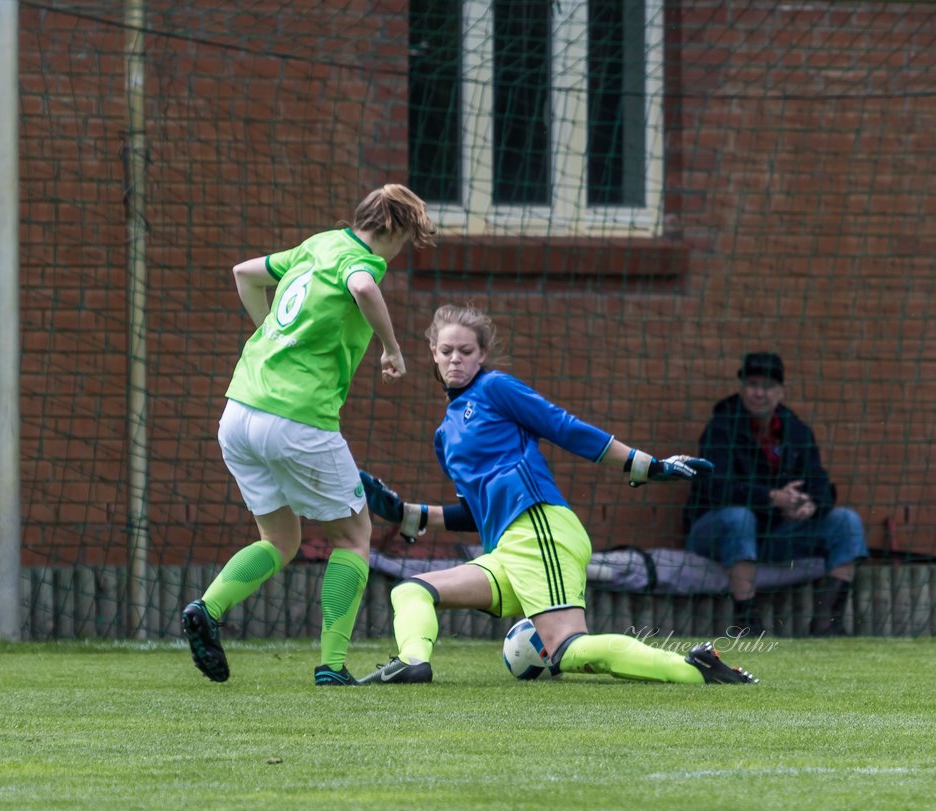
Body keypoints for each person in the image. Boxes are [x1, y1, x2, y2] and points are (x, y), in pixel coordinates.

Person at [357, 304, 758, 686]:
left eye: (466, 351)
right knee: (412, 590)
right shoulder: (445, 436)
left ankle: (695, 668)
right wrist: (409, 515)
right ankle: (412, 663)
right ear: (433, 353)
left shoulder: (494, 388)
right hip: (506, 549)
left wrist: (645, 465)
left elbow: (563, 427)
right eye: (447, 351)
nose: (456, 359)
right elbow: (475, 512)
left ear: (482, 356)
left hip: (540, 530)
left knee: (567, 649)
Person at [180, 184, 437, 686]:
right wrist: (392, 349)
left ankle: (206, 609)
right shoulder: (364, 260)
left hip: (238, 411)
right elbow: (363, 287)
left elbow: (244, 274)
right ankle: (332, 667)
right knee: (354, 536)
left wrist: (269, 330)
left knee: (278, 538)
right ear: (393, 230)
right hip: (297, 419)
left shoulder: (317, 244)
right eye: (405, 239)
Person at [684, 352, 868, 637]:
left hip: (774, 535)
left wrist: (809, 504)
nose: (760, 393)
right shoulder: (720, 428)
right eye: (753, 384)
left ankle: (827, 622)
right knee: (739, 518)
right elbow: (714, 487)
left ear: (780, 392)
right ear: (742, 387)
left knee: (846, 521)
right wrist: (771, 498)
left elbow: (820, 482)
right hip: (716, 535)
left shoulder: (796, 430)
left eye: (767, 386)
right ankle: (746, 622)